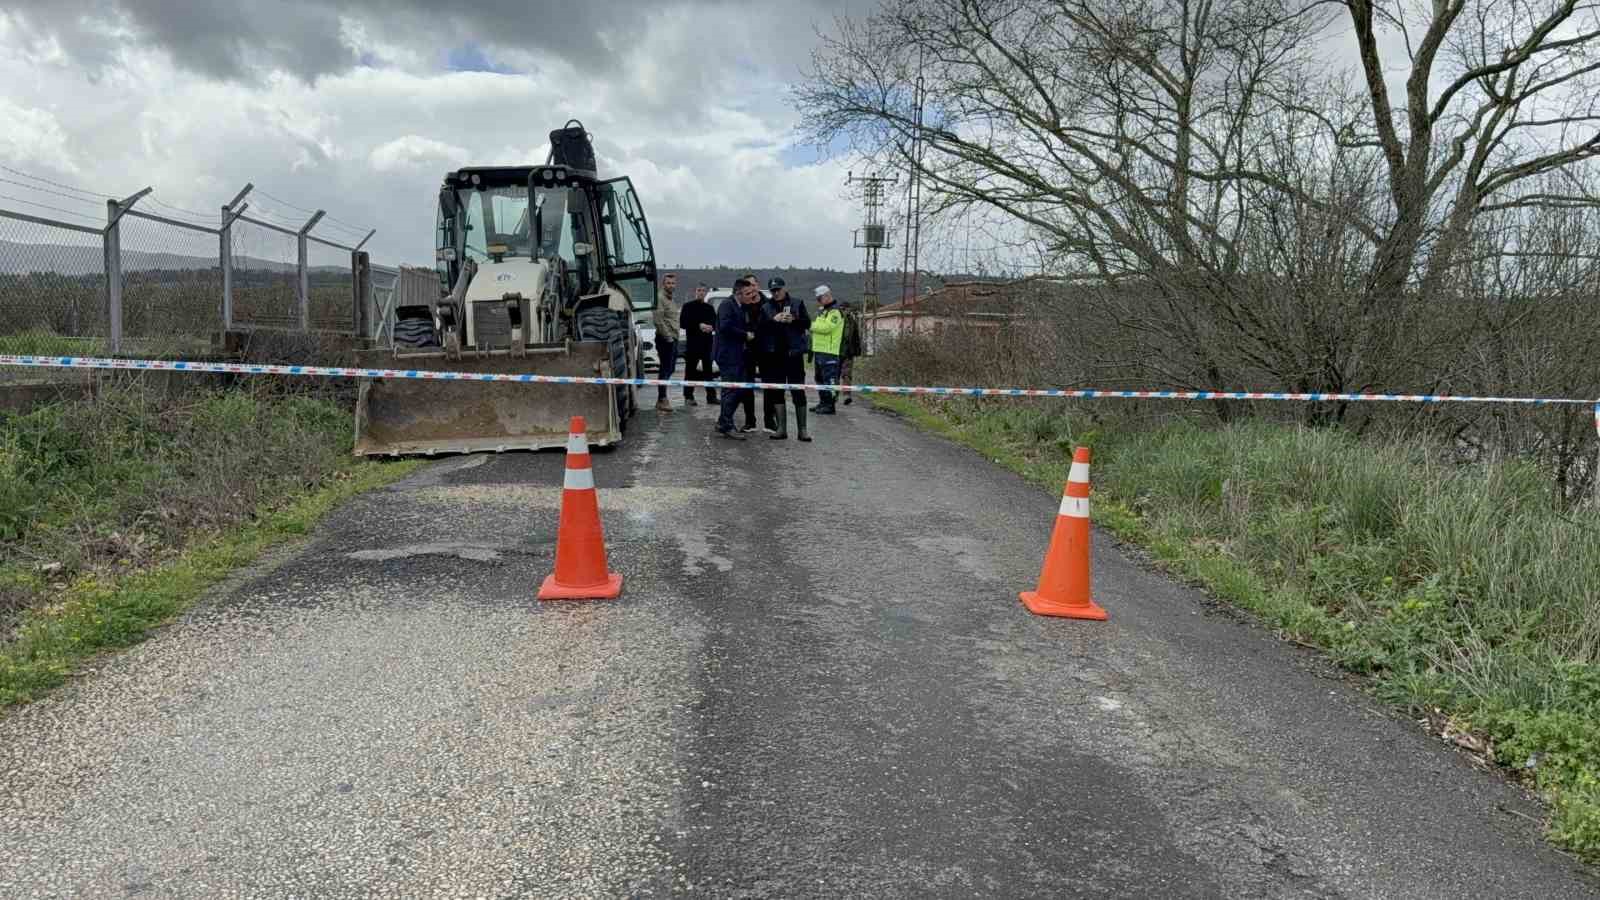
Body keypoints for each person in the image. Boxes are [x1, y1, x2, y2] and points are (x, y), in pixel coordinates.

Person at [756, 276, 813, 441]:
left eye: (778, 289)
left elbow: (807, 323)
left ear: (784, 288)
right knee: (777, 392)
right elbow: (760, 330)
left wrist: (794, 320)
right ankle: (781, 428)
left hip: (793, 355)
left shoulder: (797, 303)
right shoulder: (766, 308)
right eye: (773, 290)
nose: (776, 293)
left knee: (798, 391)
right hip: (774, 356)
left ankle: (803, 430)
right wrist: (773, 320)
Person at [715, 278, 763, 439]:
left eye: (752, 293)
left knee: (740, 389)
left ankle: (723, 421)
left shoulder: (742, 306)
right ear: (738, 293)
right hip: (728, 356)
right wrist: (745, 335)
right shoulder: (727, 305)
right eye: (748, 293)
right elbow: (725, 327)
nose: (751, 296)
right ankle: (726, 425)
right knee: (731, 390)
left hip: (738, 356)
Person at [679, 282, 717, 405]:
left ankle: (711, 396)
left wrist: (711, 327)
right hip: (693, 344)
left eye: (703, 291)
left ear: (706, 293)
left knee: (708, 372)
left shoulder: (709, 308)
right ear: (695, 292)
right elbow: (683, 323)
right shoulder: (688, 306)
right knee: (690, 371)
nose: (701, 293)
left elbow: (716, 323)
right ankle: (688, 396)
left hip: (707, 344)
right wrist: (698, 325)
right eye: (699, 290)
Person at [809, 285, 845, 414]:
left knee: (829, 379)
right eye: (817, 299)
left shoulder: (835, 312)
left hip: (829, 352)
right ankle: (823, 402)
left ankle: (830, 405)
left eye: (820, 298)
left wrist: (810, 324)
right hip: (819, 350)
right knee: (819, 378)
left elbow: (826, 328)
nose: (818, 301)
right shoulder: (823, 311)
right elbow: (819, 327)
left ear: (827, 296)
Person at [653, 271, 681, 412]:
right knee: (665, 368)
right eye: (668, 283)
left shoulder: (670, 299)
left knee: (671, 369)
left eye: (673, 283)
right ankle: (662, 399)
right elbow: (658, 320)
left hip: (673, 338)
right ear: (663, 284)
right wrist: (668, 337)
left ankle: (662, 397)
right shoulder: (660, 298)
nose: (671, 285)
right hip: (665, 338)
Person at [839, 299, 864, 406]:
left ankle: (846, 395)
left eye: (846, 309)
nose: (845, 311)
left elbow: (856, 337)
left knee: (847, 375)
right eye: (843, 309)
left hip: (848, 352)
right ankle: (833, 396)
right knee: (833, 375)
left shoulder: (852, 322)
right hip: (835, 351)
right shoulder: (835, 320)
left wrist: (857, 350)